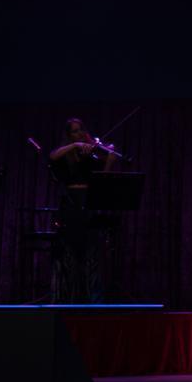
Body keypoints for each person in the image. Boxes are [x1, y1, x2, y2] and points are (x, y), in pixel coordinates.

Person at [48, 117, 119, 303]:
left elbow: (101, 178)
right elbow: (52, 156)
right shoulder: (65, 154)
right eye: (74, 131)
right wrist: (75, 145)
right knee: (71, 250)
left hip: (89, 202)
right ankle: (68, 297)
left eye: (81, 130)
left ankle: (91, 298)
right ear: (68, 135)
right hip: (71, 202)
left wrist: (110, 159)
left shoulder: (91, 154)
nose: (79, 133)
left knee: (91, 251)